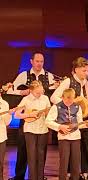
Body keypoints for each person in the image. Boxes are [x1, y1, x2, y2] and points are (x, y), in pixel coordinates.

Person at [8, 52, 58, 180]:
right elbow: (10, 90)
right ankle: (20, 175)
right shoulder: (23, 75)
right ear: (31, 61)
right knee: (23, 148)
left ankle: (39, 176)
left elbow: (54, 93)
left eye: (41, 61)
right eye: (37, 61)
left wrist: (57, 87)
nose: (39, 63)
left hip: (41, 121)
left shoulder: (49, 76)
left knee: (41, 151)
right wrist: (22, 92)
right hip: (26, 120)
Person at [51, 57, 88, 180]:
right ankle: (73, 175)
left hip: (87, 121)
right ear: (76, 70)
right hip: (72, 123)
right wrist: (69, 104)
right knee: (72, 154)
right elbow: (54, 98)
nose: (86, 73)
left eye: (87, 70)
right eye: (84, 70)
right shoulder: (68, 82)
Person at [46, 88, 88, 180]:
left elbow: (79, 122)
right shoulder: (56, 107)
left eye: (71, 99)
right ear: (62, 97)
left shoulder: (77, 107)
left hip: (75, 137)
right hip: (63, 138)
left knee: (76, 162)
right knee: (64, 162)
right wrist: (60, 126)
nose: (69, 101)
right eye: (67, 99)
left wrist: (86, 124)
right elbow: (48, 121)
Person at [14, 81, 51, 180]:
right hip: (30, 130)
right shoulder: (26, 99)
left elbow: (48, 113)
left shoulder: (45, 98)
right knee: (32, 156)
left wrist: (48, 114)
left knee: (41, 155)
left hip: (43, 129)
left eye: (41, 92)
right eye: (37, 93)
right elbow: (17, 114)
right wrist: (29, 115)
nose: (39, 95)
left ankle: (40, 177)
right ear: (31, 91)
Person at [0, 94, 13, 180]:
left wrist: (9, 115)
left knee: (0, 162)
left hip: (1, 136)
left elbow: (7, 122)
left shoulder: (4, 104)